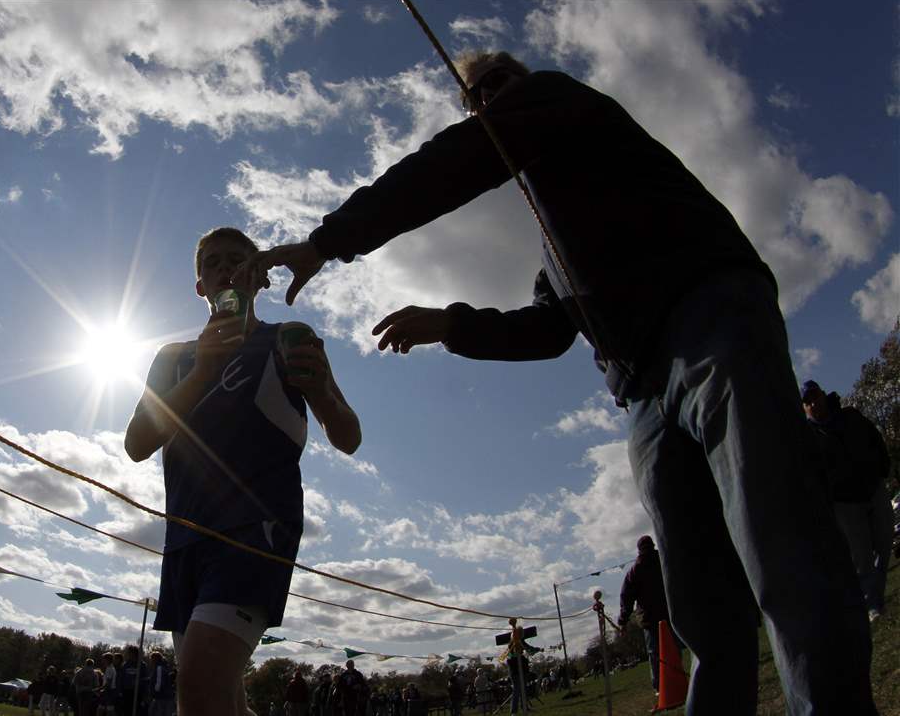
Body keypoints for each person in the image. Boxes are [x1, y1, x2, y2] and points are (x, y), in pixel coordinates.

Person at [241, 49, 876, 715]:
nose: (489, 101)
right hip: (642, 389)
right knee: (700, 597)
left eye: (497, 85)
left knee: (778, 530)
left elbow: (462, 158)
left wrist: (328, 239)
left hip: (709, 314)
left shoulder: (562, 101)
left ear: (523, 83)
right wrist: (449, 324)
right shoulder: (553, 238)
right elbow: (548, 330)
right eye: (475, 98)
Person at [125, 226, 361, 716]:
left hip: (257, 531)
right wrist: (202, 373)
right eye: (214, 262)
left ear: (260, 277)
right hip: (185, 537)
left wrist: (320, 394)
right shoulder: (171, 358)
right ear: (199, 285)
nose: (227, 268)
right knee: (224, 697)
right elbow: (136, 444)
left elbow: (348, 436)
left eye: (239, 259)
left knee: (201, 689)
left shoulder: (289, 338)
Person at [802, 380, 893, 621]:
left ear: (823, 394)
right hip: (845, 504)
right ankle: (873, 606)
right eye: (808, 401)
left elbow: (875, 438)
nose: (814, 403)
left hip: (873, 488)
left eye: (815, 397)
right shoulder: (809, 439)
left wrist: (882, 467)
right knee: (861, 558)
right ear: (805, 408)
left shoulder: (850, 416)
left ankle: (877, 594)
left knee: (884, 544)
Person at [617, 535, 680, 694]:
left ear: (639, 550)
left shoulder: (635, 570)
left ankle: (659, 687)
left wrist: (623, 620)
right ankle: (679, 680)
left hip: (650, 618)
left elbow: (627, 597)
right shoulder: (664, 559)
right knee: (675, 648)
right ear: (652, 546)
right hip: (670, 613)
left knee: (654, 654)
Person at [146, 651, 174, 716]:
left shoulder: (159, 668)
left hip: (161, 697)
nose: (151, 661)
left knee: (155, 712)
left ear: (155, 659)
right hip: (163, 697)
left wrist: (153, 693)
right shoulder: (162, 667)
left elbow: (159, 683)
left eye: (152, 659)